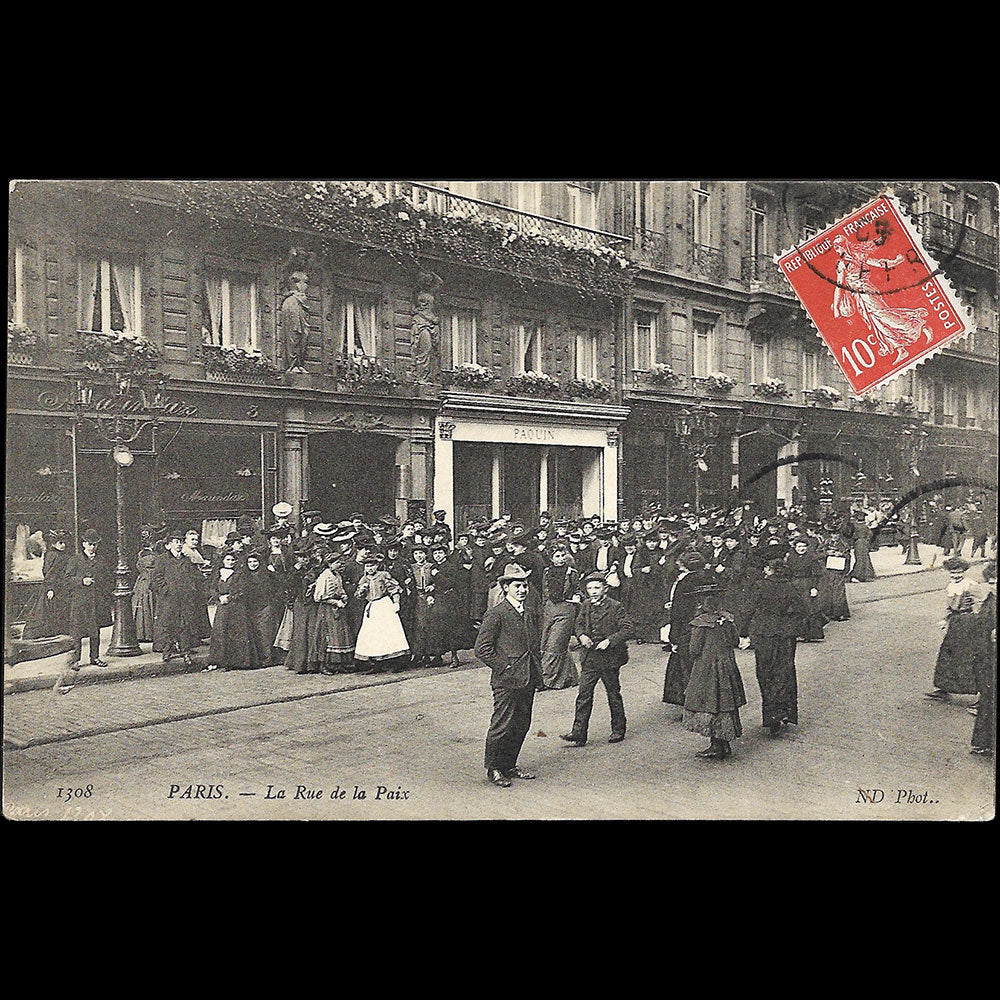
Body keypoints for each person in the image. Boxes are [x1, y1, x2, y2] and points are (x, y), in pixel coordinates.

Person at [474, 563, 541, 788]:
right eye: (517, 586)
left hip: (528, 676)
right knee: (502, 724)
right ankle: (494, 768)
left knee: (522, 723)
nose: (522, 590)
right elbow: (482, 649)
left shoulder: (529, 612)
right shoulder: (496, 614)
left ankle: (509, 764)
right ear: (505, 588)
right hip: (506, 680)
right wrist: (505, 667)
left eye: (525, 586)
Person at [560, 573, 635, 746]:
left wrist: (609, 641)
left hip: (610, 658)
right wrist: (582, 636)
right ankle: (578, 733)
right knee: (583, 695)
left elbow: (628, 629)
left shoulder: (616, 607)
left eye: (597, 588)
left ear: (605, 589)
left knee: (613, 693)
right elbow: (578, 625)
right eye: (590, 588)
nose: (593, 591)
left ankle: (618, 729)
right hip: (590, 657)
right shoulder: (585, 605)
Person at [740, 558, 809, 736]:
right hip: (786, 636)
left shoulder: (760, 586)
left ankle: (772, 716)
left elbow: (748, 610)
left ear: (769, 570)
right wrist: (791, 624)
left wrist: (743, 632)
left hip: (764, 634)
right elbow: (804, 610)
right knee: (785, 671)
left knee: (766, 673)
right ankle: (786, 711)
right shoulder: (790, 586)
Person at [683, 586, 746, 760]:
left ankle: (715, 746)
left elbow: (694, 649)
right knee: (725, 703)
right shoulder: (726, 619)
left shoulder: (700, 623)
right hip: (727, 665)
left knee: (710, 703)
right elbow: (735, 640)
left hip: (707, 667)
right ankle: (724, 744)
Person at [926, 557, 986, 701]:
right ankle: (943, 688)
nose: (956, 576)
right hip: (955, 623)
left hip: (968, 623)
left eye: (959, 573)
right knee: (947, 654)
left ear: (964, 572)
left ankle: (981, 695)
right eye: (953, 573)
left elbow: (981, 604)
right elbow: (950, 607)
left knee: (968, 657)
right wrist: (945, 619)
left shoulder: (970, 585)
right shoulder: (951, 586)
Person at [662, 550, 709, 708]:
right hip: (705, 625)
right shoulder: (708, 577)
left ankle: (691, 702)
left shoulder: (684, 582)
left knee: (685, 666)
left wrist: (673, 637)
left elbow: (679, 613)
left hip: (686, 629)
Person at [152, 530, 205, 665]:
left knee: (184, 625)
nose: (179, 545)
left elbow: (195, 577)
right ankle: (167, 651)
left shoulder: (186, 560)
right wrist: (166, 591)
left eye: (181, 542)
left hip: (185, 599)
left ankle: (185, 652)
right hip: (169, 599)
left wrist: (191, 590)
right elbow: (157, 579)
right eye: (176, 542)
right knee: (169, 625)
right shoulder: (162, 560)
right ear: (168, 545)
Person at [207, 551, 266, 671]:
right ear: (223, 560)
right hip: (222, 606)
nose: (230, 562)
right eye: (228, 560)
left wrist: (230, 597)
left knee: (236, 633)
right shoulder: (218, 573)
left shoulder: (240, 574)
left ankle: (238, 661)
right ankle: (220, 660)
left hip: (236, 607)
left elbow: (242, 590)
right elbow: (212, 588)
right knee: (220, 631)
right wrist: (219, 597)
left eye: (232, 560)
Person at [354, 552, 409, 672]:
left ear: (377, 566)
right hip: (372, 607)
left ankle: (396, 663)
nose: (370, 568)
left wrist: (396, 603)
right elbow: (358, 596)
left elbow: (394, 589)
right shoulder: (364, 579)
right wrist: (362, 591)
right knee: (374, 635)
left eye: (372, 565)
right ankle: (377, 663)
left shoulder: (383, 575)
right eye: (367, 566)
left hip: (384, 606)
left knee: (388, 633)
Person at [63, 528, 111, 668]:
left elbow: (107, 578)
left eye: (95, 544)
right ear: (83, 544)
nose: (92, 547)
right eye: (89, 544)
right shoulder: (75, 560)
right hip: (80, 601)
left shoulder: (101, 560)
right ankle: (75, 660)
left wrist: (103, 592)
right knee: (77, 632)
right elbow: (67, 579)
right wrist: (81, 581)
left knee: (95, 631)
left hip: (96, 601)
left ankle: (94, 657)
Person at [539, 544, 581, 691]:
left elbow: (578, 590)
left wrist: (577, 596)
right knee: (545, 643)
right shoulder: (546, 572)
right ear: (551, 558)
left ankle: (549, 680)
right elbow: (545, 592)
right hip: (550, 610)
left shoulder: (572, 572)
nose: (561, 559)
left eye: (563, 555)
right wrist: (545, 607)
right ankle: (568, 677)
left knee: (555, 644)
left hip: (566, 610)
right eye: (557, 556)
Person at [23, 528, 71, 640]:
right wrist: (50, 588)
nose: (63, 545)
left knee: (57, 609)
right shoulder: (53, 555)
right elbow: (49, 573)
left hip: (61, 587)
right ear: (54, 543)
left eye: (64, 543)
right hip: (53, 587)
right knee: (46, 611)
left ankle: (57, 632)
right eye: (60, 543)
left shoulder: (61, 554)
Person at [312, 551, 355, 674]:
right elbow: (319, 597)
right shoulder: (324, 576)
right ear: (330, 564)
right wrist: (335, 602)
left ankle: (338, 664)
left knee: (340, 635)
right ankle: (324, 664)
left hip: (338, 608)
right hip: (327, 609)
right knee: (327, 636)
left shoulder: (337, 575)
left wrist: (344, 596)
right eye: (336, 563)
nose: (339, 564)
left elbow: (340, 589)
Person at [971, 560, 996, 756]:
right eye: (992, 582)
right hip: (988, 656)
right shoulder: (989, 600)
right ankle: (986, 742)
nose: (995, 586)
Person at [786, 537, 826, 641]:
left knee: (809, 608)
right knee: (795, 609)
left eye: (804, 546)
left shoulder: (811, 558)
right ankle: (797, 633)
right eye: (799, 546)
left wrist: (814, 587)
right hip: (794, 585)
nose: (801, 549)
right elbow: (788, 572)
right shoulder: (791, 558)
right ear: (794, 547)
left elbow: (817, 574)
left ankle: (810, 634)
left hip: (807, 584)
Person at [243, 550, 276, 667]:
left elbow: (277, 587)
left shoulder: (267, 574)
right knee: (254, 633)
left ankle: (268, 658)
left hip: (265, 607)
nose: (252, 564)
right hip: (250, 608)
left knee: (265, 632)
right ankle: (257, 659)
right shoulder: (244, 576)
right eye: (250, 562)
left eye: (255, 561)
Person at [817, 523, 852, 622]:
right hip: (827, 570)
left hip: (838, 571)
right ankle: (829, 612)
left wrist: (842, 555)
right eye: (832, 534)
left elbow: (848, 556)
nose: (835, 536)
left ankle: (840, 613)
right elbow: (817, 554)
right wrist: (827, 553)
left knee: (839, 592)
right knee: (827, 591)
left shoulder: (844, 544)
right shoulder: (825, 543)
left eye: (837, 534)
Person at [131, 542, 157, 643]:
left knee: (141, 605)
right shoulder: (154, 557)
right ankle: (150, 633)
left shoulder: (140, 556)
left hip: (141, 582)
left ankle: (141, 633)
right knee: (149, 605)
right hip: (150, 582)